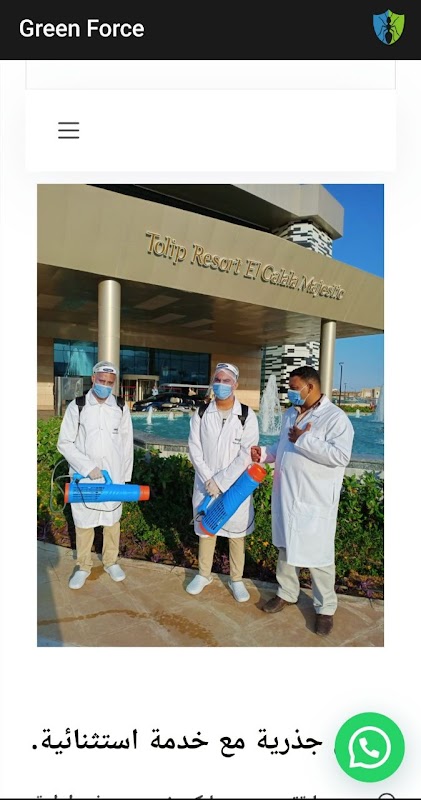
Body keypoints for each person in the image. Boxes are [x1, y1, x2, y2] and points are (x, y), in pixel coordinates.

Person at [251, 366, 354, 636]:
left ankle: (325, 608)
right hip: (287, 496)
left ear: (311, 387)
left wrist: (304, 439)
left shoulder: (335, 418)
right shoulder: (290, 414)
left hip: (314, 500)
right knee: (286, 548)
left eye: (295, 387)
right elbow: (283, 448)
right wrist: (264, 453)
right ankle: (287, 593)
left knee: (319, 557)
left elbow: (340, 456)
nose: (291, 392)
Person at [57, 360, 134, 590]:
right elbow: (65, 442)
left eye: (110, 383)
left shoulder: (120, 406)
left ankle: (111, 561)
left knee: (112, 521)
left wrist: (124, 479)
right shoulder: (78, 406)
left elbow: (126, 444)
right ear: (93, 379)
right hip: (84, 477)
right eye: (101, 381)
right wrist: (87, 467)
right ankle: (83, 566)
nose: (105, 386)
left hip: (113, 477)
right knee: (84, 522)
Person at [186, 362, 259, 602]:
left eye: (226, 381)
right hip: (205, 483)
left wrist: (221, 482)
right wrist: (209, 479)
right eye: (217, 380)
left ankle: (236, 579)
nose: (221, 384)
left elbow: (247, 454)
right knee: (206, 531)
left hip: (235, 485)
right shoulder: (202, 412)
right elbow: (194, 448)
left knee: (236, 533)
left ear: (235, 385)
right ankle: (203, 574)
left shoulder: (247, 415)